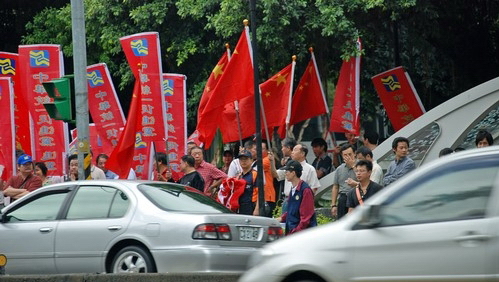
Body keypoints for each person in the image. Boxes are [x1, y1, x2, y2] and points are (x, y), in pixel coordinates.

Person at [270, 143, 321, 212]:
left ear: (302, 154)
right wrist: (272, 161)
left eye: (295, 150)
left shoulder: (310, 169)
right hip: (287, 200)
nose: (292, 152)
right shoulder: (288, 167)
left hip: (301, 201)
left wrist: (305, 201)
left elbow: (314, 188)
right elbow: (275, 174)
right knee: (286, 221)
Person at [278, 160, 317, 235]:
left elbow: (306, 217)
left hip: (301, 234)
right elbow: (291, 211)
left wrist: (296, 231)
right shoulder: (293, 189)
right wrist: (280, 219)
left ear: (293, 173)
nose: (285, 174)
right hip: (292, 231)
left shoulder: (305, 190)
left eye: (287, 171)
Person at [331, 144, 357, 220]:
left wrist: (353, 166)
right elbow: (335, 187)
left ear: (354, 154)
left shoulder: (360, 166)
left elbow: (363, 180)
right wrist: (333, 204)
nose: (348, 157)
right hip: (343, 197)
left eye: (350, 154)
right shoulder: (339, 169)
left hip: (356, 196)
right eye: (345, 155)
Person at [236, 150, 258, 215]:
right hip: (240, 208)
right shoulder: (239, 176)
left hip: (251, 207)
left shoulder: (255, 174)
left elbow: (260, 193)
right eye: (241, 159)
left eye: (246, 159)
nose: (243, 161)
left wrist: (257, 209)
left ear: (251, 160)